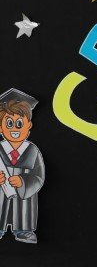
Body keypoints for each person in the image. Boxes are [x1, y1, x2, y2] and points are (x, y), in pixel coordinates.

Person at [0, 89, 45, 244]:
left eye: (19, 123)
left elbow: (39, 177)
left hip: (23, 200)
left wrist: (23, 182)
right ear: (1, 127)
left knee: (24, 210)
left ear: (29, 125)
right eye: (9, 123)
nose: (14, 128)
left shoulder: (33, 151)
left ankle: (23, 230)